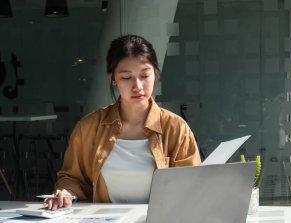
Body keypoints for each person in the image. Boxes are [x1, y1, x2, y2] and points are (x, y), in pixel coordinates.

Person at [47, 34, 201, 210]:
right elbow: (72, 177)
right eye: (126, 78)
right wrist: (66, 192)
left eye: (144, 75)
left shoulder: (175, 128)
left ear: (156, 73)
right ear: (113, 78)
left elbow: (192, 186)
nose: (137, 86)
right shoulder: (89, 127)